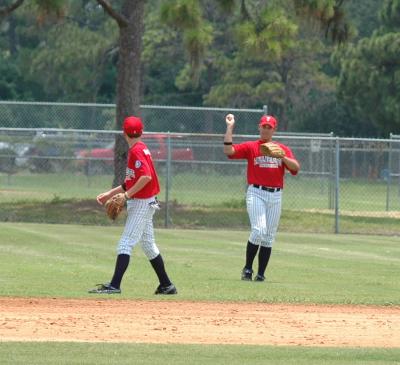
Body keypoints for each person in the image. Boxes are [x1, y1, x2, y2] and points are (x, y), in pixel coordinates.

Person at [89, 116, 177, 295]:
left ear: (124, 133)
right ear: (142, 132)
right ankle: (166, 285)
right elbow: (132, 180)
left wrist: (127, 195)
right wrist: (110, 194)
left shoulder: (136, 151)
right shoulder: (142, 148)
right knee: (148, 245)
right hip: (147, 201)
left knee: (125, 243)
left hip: (142, 202)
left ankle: (115, 285)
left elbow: (146, 177)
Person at [223, 113, 300, 282]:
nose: (265, 129)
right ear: (259, 127)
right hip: (256, 192)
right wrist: (230, 127)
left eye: (269, 127)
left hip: (276, 195)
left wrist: (282, 157)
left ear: (274, 130)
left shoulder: (281, 148)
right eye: (263, 126)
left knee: (269, 235)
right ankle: (248, 268)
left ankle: (261, 274)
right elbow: (229, 150)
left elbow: (296, 168)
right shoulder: (252, 147)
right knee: (258, 230)